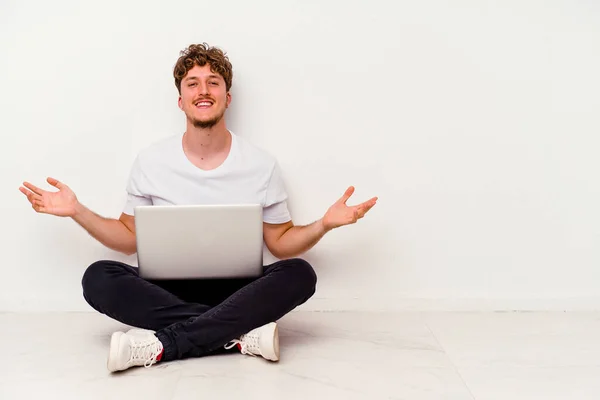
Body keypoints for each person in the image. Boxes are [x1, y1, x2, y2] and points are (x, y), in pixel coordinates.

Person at [19, 43, 378, 372]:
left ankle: (164, 343)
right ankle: (237, 335)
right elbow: (128, 239)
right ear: (180, 100)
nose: (203, 90)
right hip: (166, 290)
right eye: (192, 83)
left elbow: (280, 243)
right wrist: (77, 209)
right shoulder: (151, 161)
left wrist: (324, 225)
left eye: (213, 82)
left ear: (227, 97)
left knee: (300, 273)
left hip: (238, 291)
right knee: (98, 277)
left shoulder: (260, 164)